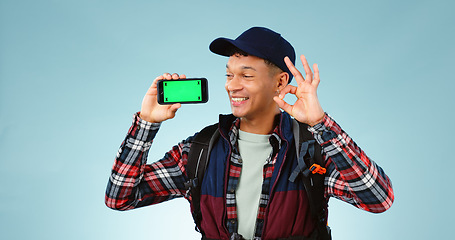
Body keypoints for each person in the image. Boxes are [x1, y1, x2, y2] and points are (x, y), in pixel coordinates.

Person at [105, 27, 394, 240]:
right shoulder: (198, 151)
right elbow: (120, 198)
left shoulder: (312, 151)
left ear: (280, 82)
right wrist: (146, 123)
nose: (232, 86)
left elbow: (378, 198)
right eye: (229, 75)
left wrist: (320, 123)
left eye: (246, 75)